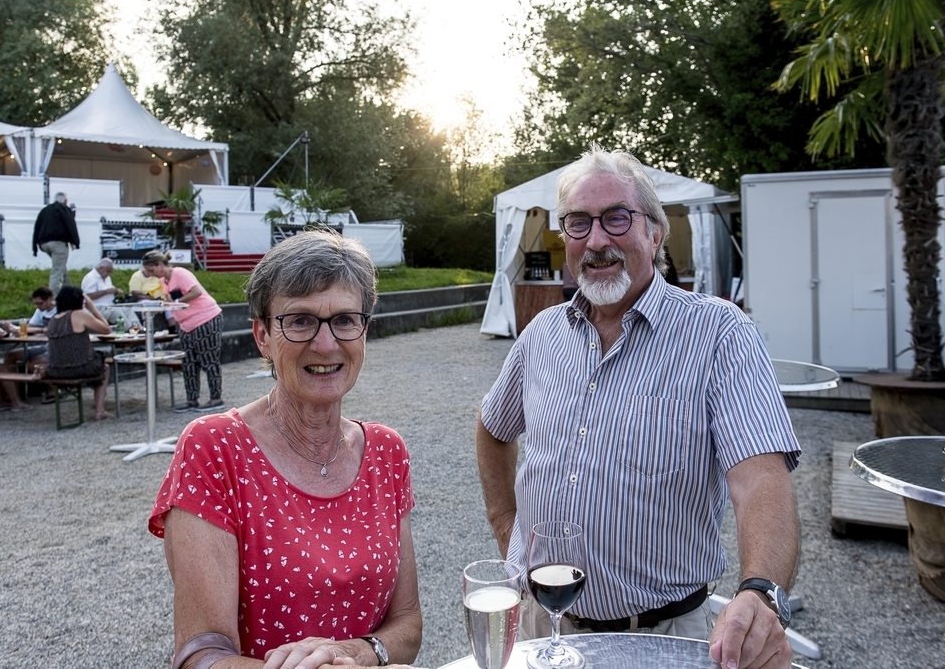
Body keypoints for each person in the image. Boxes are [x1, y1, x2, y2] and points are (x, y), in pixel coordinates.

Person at [476, 146, 801, 669]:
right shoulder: (542, 334)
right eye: (578, 223)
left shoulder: (719, 333)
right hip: (543, 626)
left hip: (661, 638)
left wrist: (760, 591)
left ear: (655, 233)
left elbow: (761, 478)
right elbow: (493, 427)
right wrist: (506, 525)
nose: (596, 240)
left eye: (616, 218)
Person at [147, 230, 421, 669]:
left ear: (364, 331)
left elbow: (406, 624)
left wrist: (357, 651)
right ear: (262, 336)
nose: (326, 344)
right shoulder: (215, 448)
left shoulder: (386, 451)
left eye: (345, 320)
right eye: (300, 321)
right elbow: (201, 655)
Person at [141, 250, 222, 412]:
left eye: (152, 270)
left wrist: (177, 301)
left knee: (208, 359)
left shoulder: (179, 273)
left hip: (204, 319)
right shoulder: (164, 281)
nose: (151, 274)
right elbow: (171, 300)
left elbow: (196, 291)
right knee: (189, 362)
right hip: (186, 324)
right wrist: (164, 306)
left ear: (160, 264)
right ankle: (191, 399)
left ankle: (216, 398)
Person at [44, 286, 112, 421]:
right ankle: (99, 410)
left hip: (55, 370)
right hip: (79, 368)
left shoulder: (53, 319)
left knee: (96, 362)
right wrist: (93, 308)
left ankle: (97, 399)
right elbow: (106, 329)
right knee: (104, 367)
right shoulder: (79, 315)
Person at [33, 192, 80, 295]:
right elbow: (71, 225)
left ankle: (69, 293)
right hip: (58, 243)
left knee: (61, 267)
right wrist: (76, 242)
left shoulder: (44, 210)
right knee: (57, 271)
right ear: (65, 201)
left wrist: (34, 248)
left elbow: (36, 227)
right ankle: (53, 297)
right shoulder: (64, 209)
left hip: (44, 244)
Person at [80, 258, 142, 331]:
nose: (109, 274)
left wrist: (115, 291)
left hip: (109, 305)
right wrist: (106, 291)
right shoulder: (90, 278)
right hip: (97, 307)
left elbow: (109, 289)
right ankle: (130, 330)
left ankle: (138, 327)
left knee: (127, 309)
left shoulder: (107, 277)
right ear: (100, 268)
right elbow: (88, 295)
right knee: (117, 313)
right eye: (108, 271)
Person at [128, 265, 176, 332]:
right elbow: (135, 293)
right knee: (147, 305)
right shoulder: (136, 276)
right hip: (144, 299)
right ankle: (146, 328)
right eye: (149, 271)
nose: (150, 273)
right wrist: (151, 298)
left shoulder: (155, 276)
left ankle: (173, 328)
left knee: (168, 306)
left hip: (159, 298)